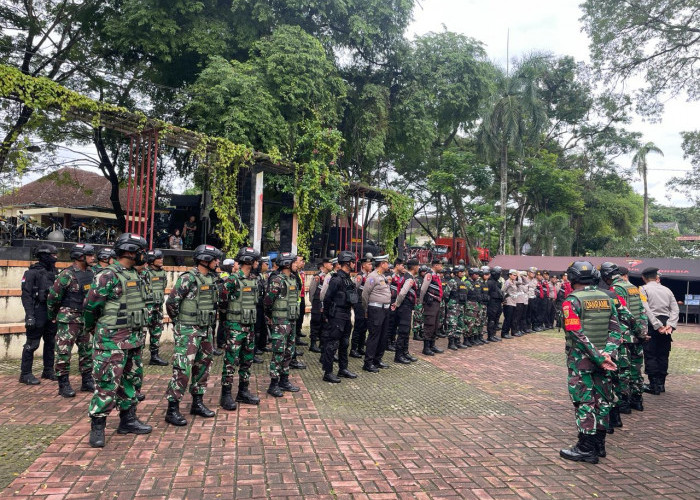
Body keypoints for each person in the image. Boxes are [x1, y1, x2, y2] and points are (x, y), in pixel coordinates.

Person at [84, 233, 152, 448]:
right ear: (131, 252)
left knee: (131, 381)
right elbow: (90, 307)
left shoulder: (135, 274)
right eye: (141, 251)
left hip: (133, 340)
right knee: (106, 383)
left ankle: (128, 420)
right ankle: (97, 427)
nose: (144, 256)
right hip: (111, 341)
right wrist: (94, 328)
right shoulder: (107, 275)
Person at [559, 261, 621, 464]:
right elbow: (616, 331)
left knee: (584, 401)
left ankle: (586, 448)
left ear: (572, 278)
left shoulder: (572, 301)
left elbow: (577, 334)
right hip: (605, 360)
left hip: (582, 361)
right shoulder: (607, 298)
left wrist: (596, 356)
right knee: (603, 399)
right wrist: (607, 355)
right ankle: (599, 445)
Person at [164, 244, 220, 426]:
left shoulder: (212, 278)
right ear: (205, 259)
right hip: (188, 330)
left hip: (206, 329)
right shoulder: (188, 278)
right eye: (215, 259)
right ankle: (172, 409)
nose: (218, 262)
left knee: (203, 366)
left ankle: (197, 402)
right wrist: (180, 324)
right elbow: (172, 303)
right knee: (183, 368)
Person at [47, 243, 96, 397]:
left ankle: (87, 380)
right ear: (80, 257)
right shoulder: (66, 274)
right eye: (89, 255)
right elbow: (53, 297)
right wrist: (53, 316)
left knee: (86, 351)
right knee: (63, 352)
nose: (93, 258)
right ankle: (63, 384)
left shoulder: (91, 273)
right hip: (68, 319)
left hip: (84, 319)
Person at [219, 247, 261, 410]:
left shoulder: (254, 279)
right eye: (256, 260)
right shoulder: (232, 280)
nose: (258, 263)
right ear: (249, 261)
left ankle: (243, 391)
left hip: (249, 326)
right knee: (230, 361)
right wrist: (228, 320)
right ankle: (226, 395)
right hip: (235, 326)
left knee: (247, 360)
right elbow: (222, 301)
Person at [20, 244, 59, 385]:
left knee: (50, 342)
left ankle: (48, 370)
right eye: (52, 255)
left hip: (50, 312)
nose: (55, 257)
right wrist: (29, 315)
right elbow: (26, 296)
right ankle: (25, 374)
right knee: (32, 343)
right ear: (44, 256)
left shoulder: (54, 272)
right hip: (37, 311)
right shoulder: (31, 273)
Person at [264, 252, 301, 397]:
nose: (297, 264)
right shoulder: (277, 280)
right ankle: (273, 384)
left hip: (291, 321)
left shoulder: (292, 279)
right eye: (295, 262)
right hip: (280, 321)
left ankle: (284, 380)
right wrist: (270, 318)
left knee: (289, 351)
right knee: (278, 352)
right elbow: (267, 302)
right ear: (287, 264)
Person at [321, 250, 359, 383]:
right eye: (353, 262)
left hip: (346, 315)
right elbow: (327, 298)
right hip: (337, 315)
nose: (355, 264)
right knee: (332, 344)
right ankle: (328, 372)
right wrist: (327, 315)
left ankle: (343, 369)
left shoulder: (348, 279)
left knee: (344, 343)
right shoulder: (336, 280)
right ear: (347, 263)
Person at [640, 267, 679, 395]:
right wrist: (670, 325)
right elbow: (675, 309)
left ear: (643, 278)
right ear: (657, 277)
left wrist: (657, 325)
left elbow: (645, 309)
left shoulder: (643, 289)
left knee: (650, 353)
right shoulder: (667, 290)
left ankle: (653, 385)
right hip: (666, 323)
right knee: (663, 354)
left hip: (652, 324)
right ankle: (661, 384)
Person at [361, 254, 391, 372]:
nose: (388, 265)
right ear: (382, 264)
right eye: (387, 262)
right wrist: (366, 309)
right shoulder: (372, 276)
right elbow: (364, 294)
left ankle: (377, 360)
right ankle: (368, 362)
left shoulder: (382, 276)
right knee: (374, 336)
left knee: (383, 336)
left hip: (385, 309)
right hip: (376, 310)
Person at [145, 250, 168, 366]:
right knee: (142, 332)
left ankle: (154, 356)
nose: (161, 260)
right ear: (151, 260)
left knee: (157, 331)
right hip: (146, 307)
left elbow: (163, 286)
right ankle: (136, 357)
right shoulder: (144, 273)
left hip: (158, 307)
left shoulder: (163, 273)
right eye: (158, 258)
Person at [394, 259, 420, 362]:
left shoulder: (405, 277)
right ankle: (399, 355)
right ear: (414, 267)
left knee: (406, 330)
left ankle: (405, 352)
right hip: (405, 307)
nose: (418, 268)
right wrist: (397, 304)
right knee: (403, 331)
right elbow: (402, 293)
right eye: (417, 266)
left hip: (405, 307)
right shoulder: (409, 279)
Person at [419, 259, 445, 355]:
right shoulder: (429, 275)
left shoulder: (436, 275)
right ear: (435, 265)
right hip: (430, 303)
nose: (441, 267)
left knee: (435, 324)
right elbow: (423, 290)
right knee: (429, 324)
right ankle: (426, 348)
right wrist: (421, 302)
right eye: (440, 265)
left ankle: (432, 345)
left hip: (436, 303)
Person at [350, 254, 373, 358]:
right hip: (359, 304)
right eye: (369, 263)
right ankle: (353, 349)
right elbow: (354, 289)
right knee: (359, 326)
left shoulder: (369, 275)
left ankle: (360, 347)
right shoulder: (360, 276)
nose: (371, 265)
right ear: (363, 265)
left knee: (364, 326)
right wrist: (354, 303)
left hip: (367, 303)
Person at [309, 258, 332, 354]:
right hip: (317, 303)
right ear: (324, 265)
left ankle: (322, 344)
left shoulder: (329, 276)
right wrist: (314, 303)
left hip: (325, 303)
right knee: (316, 323)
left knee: (324, 324)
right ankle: (313, 344)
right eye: (330, 263)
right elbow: (312, 291)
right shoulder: (317, 276)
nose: (331, 265)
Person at [487, 266, 505, 340]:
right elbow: (488, 294)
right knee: (492, 320)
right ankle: (490, 335)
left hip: (498, 303)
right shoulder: (490, 282)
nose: (499, 276)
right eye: (498, 274)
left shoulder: (497, 283)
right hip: (492, 303)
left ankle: (493, 334)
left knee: (496, 319)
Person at [501, 269, 520, 338]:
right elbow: (502, 290)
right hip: (508, 302)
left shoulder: (514, 282)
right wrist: (504, 299)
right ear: (509, 275)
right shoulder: (507, 282)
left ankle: (508, 332)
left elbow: (521, 282)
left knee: (512, 318)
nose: (515, 276)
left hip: (513, 302)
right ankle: (504, 333)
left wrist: (519, 275)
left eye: (516, 275)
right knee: (508, 318)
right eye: (513, 275)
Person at [412, 265, 428, 342]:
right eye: (423, 271)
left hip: (425, 300)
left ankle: (421, 332)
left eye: (425, 271)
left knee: (423, 317)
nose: (424, 273)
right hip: (418, 299)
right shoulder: (416, 279)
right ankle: (415, 333)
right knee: (417, 317)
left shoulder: (426, 279)